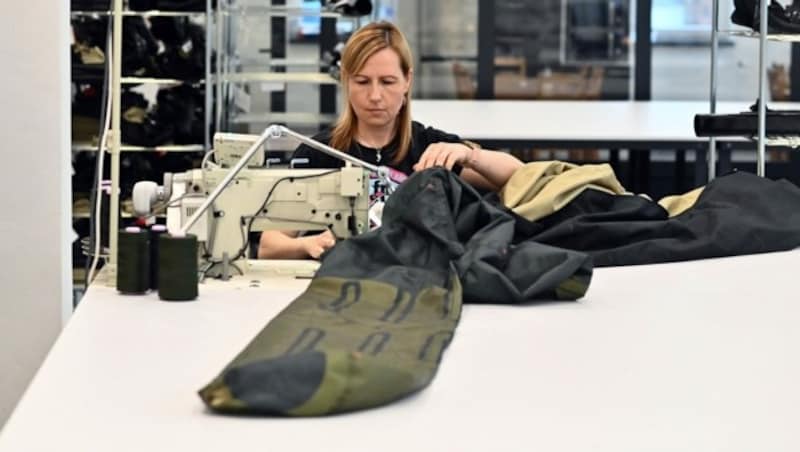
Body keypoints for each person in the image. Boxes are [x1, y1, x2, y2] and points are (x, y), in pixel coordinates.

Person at [258, 21, 523, 259]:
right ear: (346, 81)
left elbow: (522, 178)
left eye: (387, 81)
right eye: (362, 81)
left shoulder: (430, 148)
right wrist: (305, 246)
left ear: (407, 81)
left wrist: (470, 155)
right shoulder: (319, 153)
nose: (375, 95)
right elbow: (269, 245)